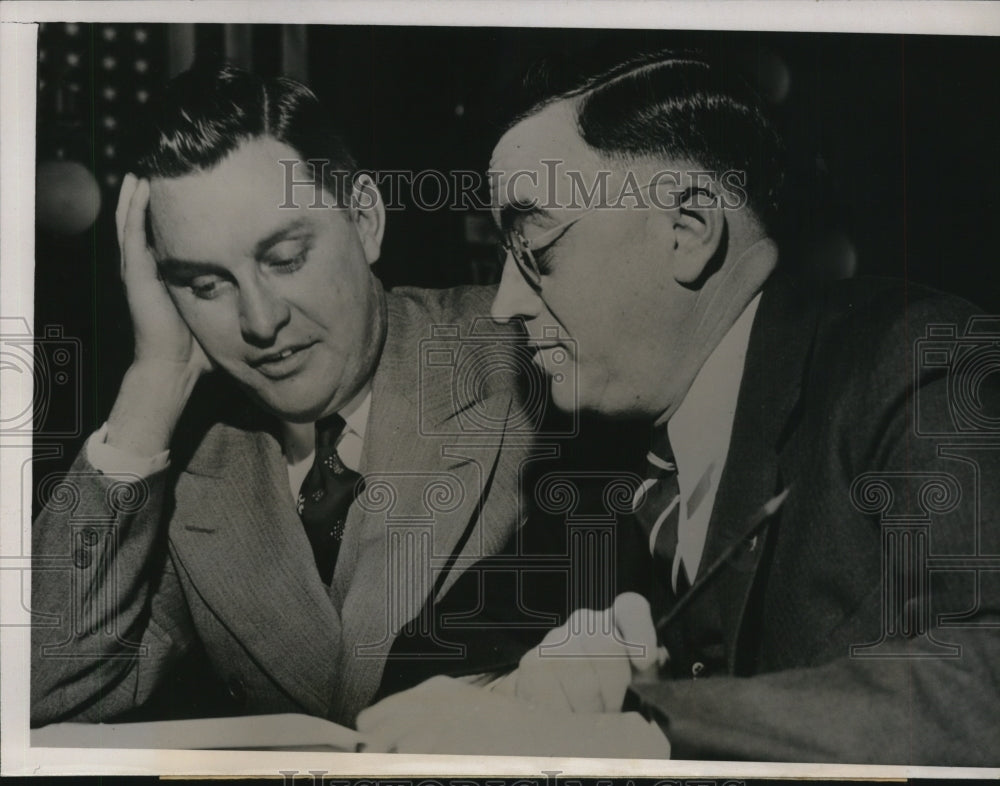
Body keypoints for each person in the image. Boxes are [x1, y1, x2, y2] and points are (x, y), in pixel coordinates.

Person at [357, 52, 1000, 764]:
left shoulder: (919, 364)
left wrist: (638, 729)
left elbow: (985, 685)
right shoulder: (605, 457)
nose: (504, 303)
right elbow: (420, 670)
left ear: (688, 230)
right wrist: (522, 692)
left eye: (534, 247)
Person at [30, 63, 534, 728]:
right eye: (205, 285)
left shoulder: (531, 358)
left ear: (365, 219)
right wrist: (154, 380)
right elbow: (40, 690)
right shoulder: (194, 466)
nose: (260, 321)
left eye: (286, 258)